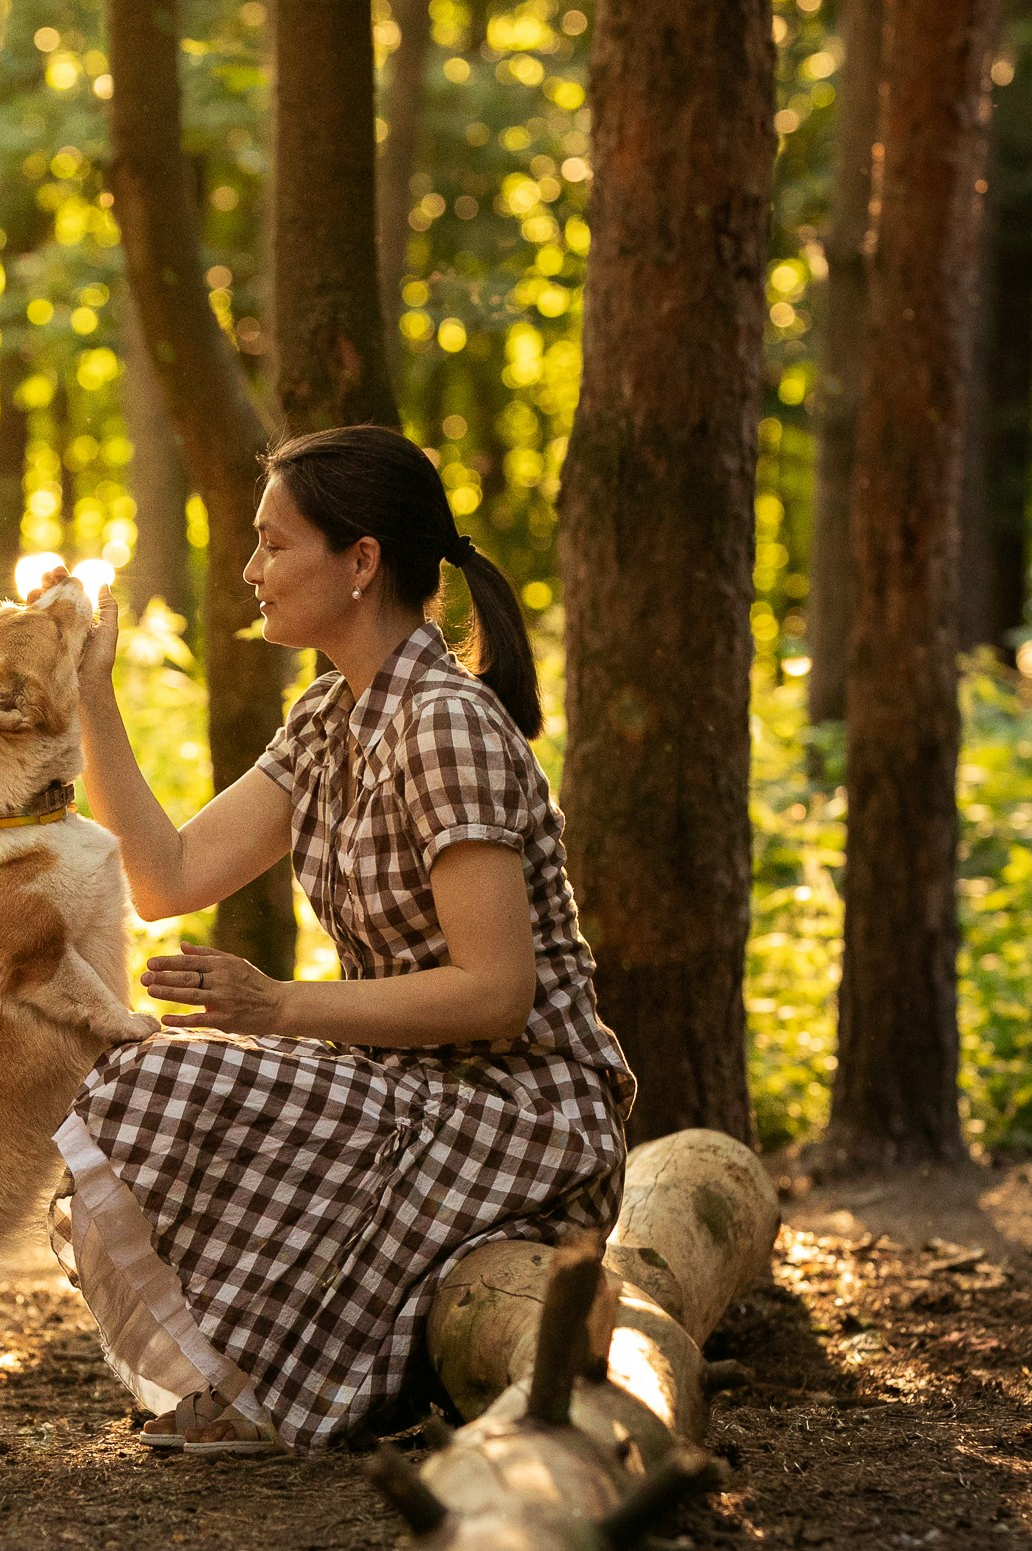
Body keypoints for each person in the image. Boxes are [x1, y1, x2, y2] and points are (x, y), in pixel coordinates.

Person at [48, 423, 634, 1457]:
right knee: (129, 1066)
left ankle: (281, 1388)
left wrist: (276, 1005)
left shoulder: (444, 722)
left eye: (275, 544)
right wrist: (91, 689)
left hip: (522, 1112)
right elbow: (166, 877)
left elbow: (497, 993)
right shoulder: (330, 715)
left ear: (361, 561)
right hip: (406, 1090)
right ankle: (275, 1374)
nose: (250, 568)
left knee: (167, 1083)